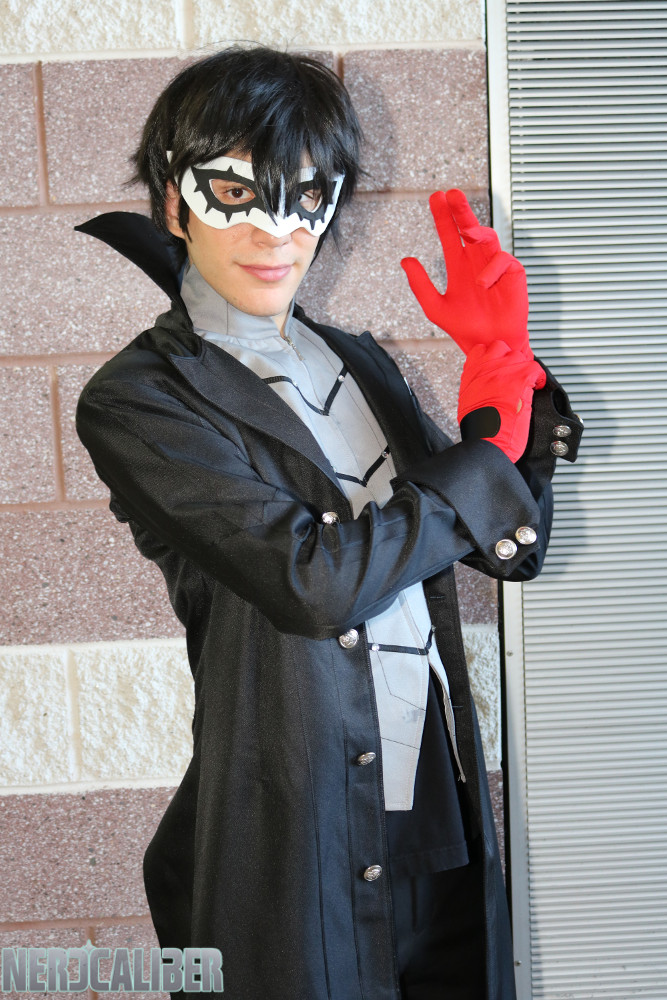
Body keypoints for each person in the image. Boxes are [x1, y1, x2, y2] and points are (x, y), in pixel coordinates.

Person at [75, 45, 582, 1000]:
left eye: (305, 196)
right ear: (174, 202)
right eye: (235, 192)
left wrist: (505, 377)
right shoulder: (142, 397)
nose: (274, 230)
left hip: (431, 794)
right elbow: (313, 582)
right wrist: (485, 449)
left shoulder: (359, 360)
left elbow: (508, 545)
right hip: (295, 814)